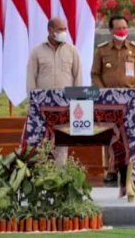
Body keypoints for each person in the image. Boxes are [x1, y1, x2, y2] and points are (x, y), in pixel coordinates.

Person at [91, 15, 135, 186]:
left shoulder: (134, 49)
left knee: (129, 135)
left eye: (125, 27)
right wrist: (103, 92)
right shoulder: (102, 50)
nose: (122, 31)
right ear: (111, 30)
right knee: (110, 135)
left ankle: (129, 170)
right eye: (118, 28)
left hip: (128, 101)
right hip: (109, 101)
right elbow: (95, 73)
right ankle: (111, 170)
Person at [26, 17, 82, 165]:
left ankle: (59, 176)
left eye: (65, 29)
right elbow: (31, 77)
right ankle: (43, 174)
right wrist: (33, 103)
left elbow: (78, 77)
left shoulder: (72, 50)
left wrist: (77, 103)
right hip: (43, 107)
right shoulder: (37, 51)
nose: (64, 32)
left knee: (62, 143)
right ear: (50, 30)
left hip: (65, 106)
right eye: (60, 29)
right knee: (42, 141)